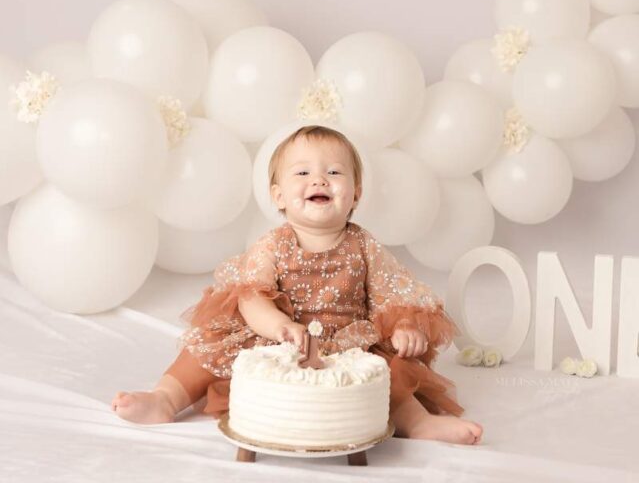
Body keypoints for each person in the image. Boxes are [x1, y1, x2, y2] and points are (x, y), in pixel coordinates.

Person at [112, 125, 483, 446]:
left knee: (388, 375)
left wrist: (404, 326)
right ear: (278, 196)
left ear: (356, 194)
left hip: (349, 346)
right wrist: (280, 326)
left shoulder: (364, 245)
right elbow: (250, 298)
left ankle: (419, 424)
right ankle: (165, 398)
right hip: (275, 339)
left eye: (335, 172)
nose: (319, 180)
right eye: (302, 172)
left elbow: (393, 293)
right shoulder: (273, 244)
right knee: (207, 348)